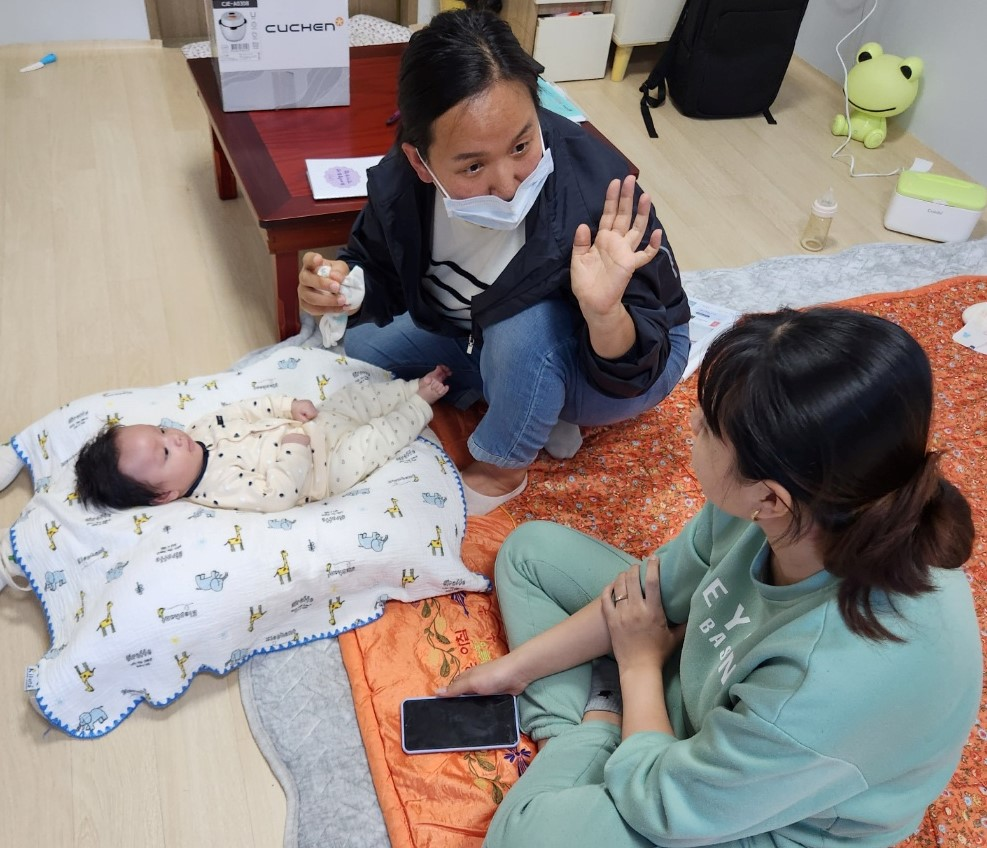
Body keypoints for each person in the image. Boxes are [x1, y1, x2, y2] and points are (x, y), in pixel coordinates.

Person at [443, 307, 981, 847]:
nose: (689, 426)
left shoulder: (831, 678)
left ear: (770, 496)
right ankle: (602, 738)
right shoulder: (792, 504)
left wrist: (637, 667)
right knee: (532, 553)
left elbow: (664, 807)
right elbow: (655, 589)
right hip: (703, 689)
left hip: (766, 810)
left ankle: (595, 726)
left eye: (704, 427)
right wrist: (514, 669)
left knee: (524, 838)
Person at [297, 9, 691, 515]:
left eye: (522, 145)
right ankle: (529, 399)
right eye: (474, 166)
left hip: (624, 360)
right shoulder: (401, 183)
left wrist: (604, 312)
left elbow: (642, 361)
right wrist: (342, 288)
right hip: (474, 331)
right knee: (357, 347)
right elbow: (377, 271)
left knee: (523, 325)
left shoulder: (598, 190)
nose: (507, 185)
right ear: (420, 161)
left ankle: (504, 464)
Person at [74, 366, 450, 513]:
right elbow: (279, 493)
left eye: (160, 431)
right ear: (164, 495)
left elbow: (246, 409)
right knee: (375, 440)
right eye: (165, 453)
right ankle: (419, 404)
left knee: (355, 398)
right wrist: (292, 448)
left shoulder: (200, 430)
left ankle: (410, 386)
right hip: (324, 470)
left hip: (317, 422)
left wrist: (287, 405)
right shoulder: (219, 489)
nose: (174, 438)